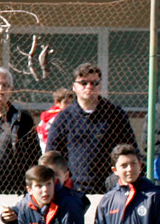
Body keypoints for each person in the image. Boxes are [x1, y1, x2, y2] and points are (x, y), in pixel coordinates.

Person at [46, 63, 136, 194]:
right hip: (73, 189)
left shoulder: (115, 114)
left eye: (94, 83)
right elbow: (52, 154)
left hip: (111, 188)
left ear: (100, 86)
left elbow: (129, 149)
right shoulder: (64, 118)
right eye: (83, 83)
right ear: (74, 87)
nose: (89, 87)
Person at [6, 164, 89, 224]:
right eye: (39, 186)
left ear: (54, 184)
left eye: (48, 184)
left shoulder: (69, 203)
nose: (45, 189)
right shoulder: (24, 207)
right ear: (29, 190)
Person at [0, 67, 42, 195]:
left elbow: (34, 156)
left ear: (10, 90)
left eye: (5, 85)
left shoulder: (23, 120)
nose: (0, 90)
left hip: (13, 190)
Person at [36, 87, 74, 152]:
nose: (69, 105)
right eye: (66, 102)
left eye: (71, 103)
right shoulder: (57, 117)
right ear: (57, 103)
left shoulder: (48, 115)